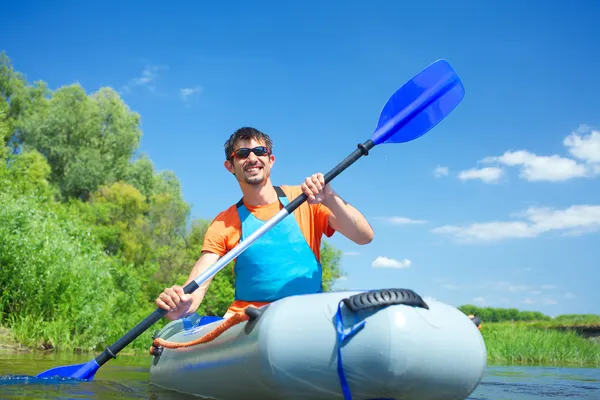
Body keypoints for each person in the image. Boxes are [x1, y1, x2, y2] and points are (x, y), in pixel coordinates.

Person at [155, 127, 374, 320]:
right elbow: (196, 288)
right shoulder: (224, 223)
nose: (252, 158)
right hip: (251, 322)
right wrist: (179, 305)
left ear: (271, 160)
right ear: (230, 166)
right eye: (242, 154)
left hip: (308, 315)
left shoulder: (306, 198)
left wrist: (330, 198)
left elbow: (364, 236)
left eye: (260, 151)